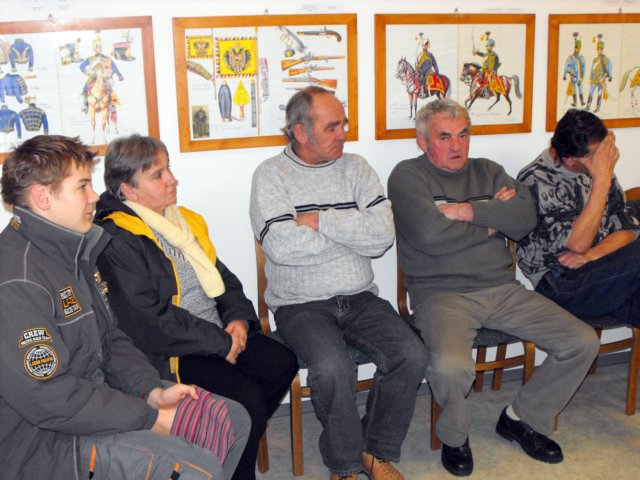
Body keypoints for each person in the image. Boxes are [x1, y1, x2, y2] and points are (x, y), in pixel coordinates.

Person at [0, 135, 249, 480]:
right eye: (82, 186)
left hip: (96, 400)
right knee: (196, 468)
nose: (94, 196)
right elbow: (49, 398)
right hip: (41, 442)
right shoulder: (18, 279)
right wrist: (147, 416)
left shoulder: (74, 251)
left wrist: (151, 391)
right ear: (43, 197)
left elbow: (111, 339)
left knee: (232, 420)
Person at [388, 99, 599, 477]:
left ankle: (521, 418)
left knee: (582, 341)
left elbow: (524, 219)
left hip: (502, 288)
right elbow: (429, 237)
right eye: (444, 137)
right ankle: (455, 437)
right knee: (451, 368)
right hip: (441, 295)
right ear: (423, 142)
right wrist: (491, 219)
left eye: (463, 134)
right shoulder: (407, 176)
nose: (457, 145)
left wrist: (466, 211)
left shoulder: (488, 170)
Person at [94, 134, 298, 480]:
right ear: (128, 190)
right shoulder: (117, 237)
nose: (172, 179)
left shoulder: (181, 221)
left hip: (216, 332)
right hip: (173, 351)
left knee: (281, 362)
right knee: (247, 400)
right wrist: (221, 343)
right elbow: (149, 319)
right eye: (157, 175)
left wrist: (237, 320)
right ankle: (235, 465)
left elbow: (223, 278)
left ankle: (222, 446)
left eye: (169, 169)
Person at [250, 86, 426, 480]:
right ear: (300, 132)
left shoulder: (357, 168)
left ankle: (374, 452)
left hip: (360, 296)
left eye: (343, 124)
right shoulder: (271, 175)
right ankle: (344, 465)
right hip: (300, 303)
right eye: (332, 126)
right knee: (332, 368)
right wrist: (350, 232)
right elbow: (281, 248)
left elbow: (381, 236)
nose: (343, 134)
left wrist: (319, 220)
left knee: (411, 353)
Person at [517, 109, 640, 328]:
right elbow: (578, 244)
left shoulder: (597, 166)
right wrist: (602, 179)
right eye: (596, 155)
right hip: (560, 283)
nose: (604, 157)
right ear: (569, 159)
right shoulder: (537, 179)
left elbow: (628, 228)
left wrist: (593, 254)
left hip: (602, 266)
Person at [80, 35, 124, 114]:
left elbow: (114, 66)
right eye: (98, 47)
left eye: (100, 47)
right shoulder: (91, 58)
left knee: (109, 88)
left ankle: (110, 105)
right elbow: (81, 66)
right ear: (95, 49)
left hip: (104, 77)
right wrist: (88, 73)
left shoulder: (107, 58)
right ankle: (85, 105)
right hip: (93, 77)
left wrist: (119, 74)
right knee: (84, 88)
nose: (99, 49)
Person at [585, 34, 612, 113]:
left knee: (599, 94)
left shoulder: (605, 59)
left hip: (600, 80)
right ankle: (588, 106)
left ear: (602, 50)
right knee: (590, 92)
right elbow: (592, 70)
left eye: (600, 50)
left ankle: (598, 108)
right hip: (594, 79)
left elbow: (606, 72)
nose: (598, 51)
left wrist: (602, 79)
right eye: (597, 50)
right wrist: (590, 79)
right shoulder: (595, 59)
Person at [472, 31, 501, 98]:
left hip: (491, 71)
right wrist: (476, 52)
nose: (487, 47)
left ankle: (486, 93)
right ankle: (478, 90)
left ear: (491, 47)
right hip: (485, 70)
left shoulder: (494, 55)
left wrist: (493, 71)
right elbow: (483, 55)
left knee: (487, 79)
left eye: (488, 46)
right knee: (478, 75)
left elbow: (496, 65)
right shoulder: (487, 53)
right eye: (487, 46)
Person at [563, 32, 586, 107]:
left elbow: (584, 67)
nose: (577, 49)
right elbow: (566, 65)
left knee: (580, 88)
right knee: (574, 90)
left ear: (580, 48)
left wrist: (583, 77)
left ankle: (582, 102)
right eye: (576, 48)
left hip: (580, 77)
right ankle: (575, 102)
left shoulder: (582, 58)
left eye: (578, 48)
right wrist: (565, 75)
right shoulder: (571, 57)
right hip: (573, 76)